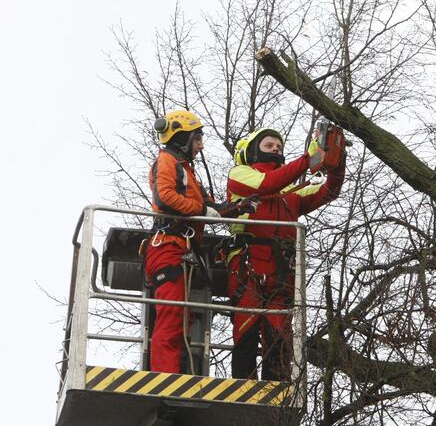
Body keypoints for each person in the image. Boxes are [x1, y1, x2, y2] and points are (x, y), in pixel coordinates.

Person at [225, 127, 346, 380]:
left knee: (279, 338)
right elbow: (268, 183)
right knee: (245, 333)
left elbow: (329, 191)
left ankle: (277, 394)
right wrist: (308, 157)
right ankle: (241, 390)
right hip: (249, 269)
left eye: (279, 148)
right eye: (270, 146)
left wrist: (336, 161)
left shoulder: (289, 193)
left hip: (281, 274)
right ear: (252, 150)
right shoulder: (241, 176)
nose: (276, 151)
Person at [144, 109, 240, 373]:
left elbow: (210, 206)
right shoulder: (167, 161)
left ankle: (170, 373)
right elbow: (164, 198)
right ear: (182, 138)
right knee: (171, 317)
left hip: (179, 248)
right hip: (167, 246)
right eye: (197, 139)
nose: (201, 145)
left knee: (180, 316)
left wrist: (241, 207)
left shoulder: (185, 170)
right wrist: (200, 211)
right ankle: (165, 378)